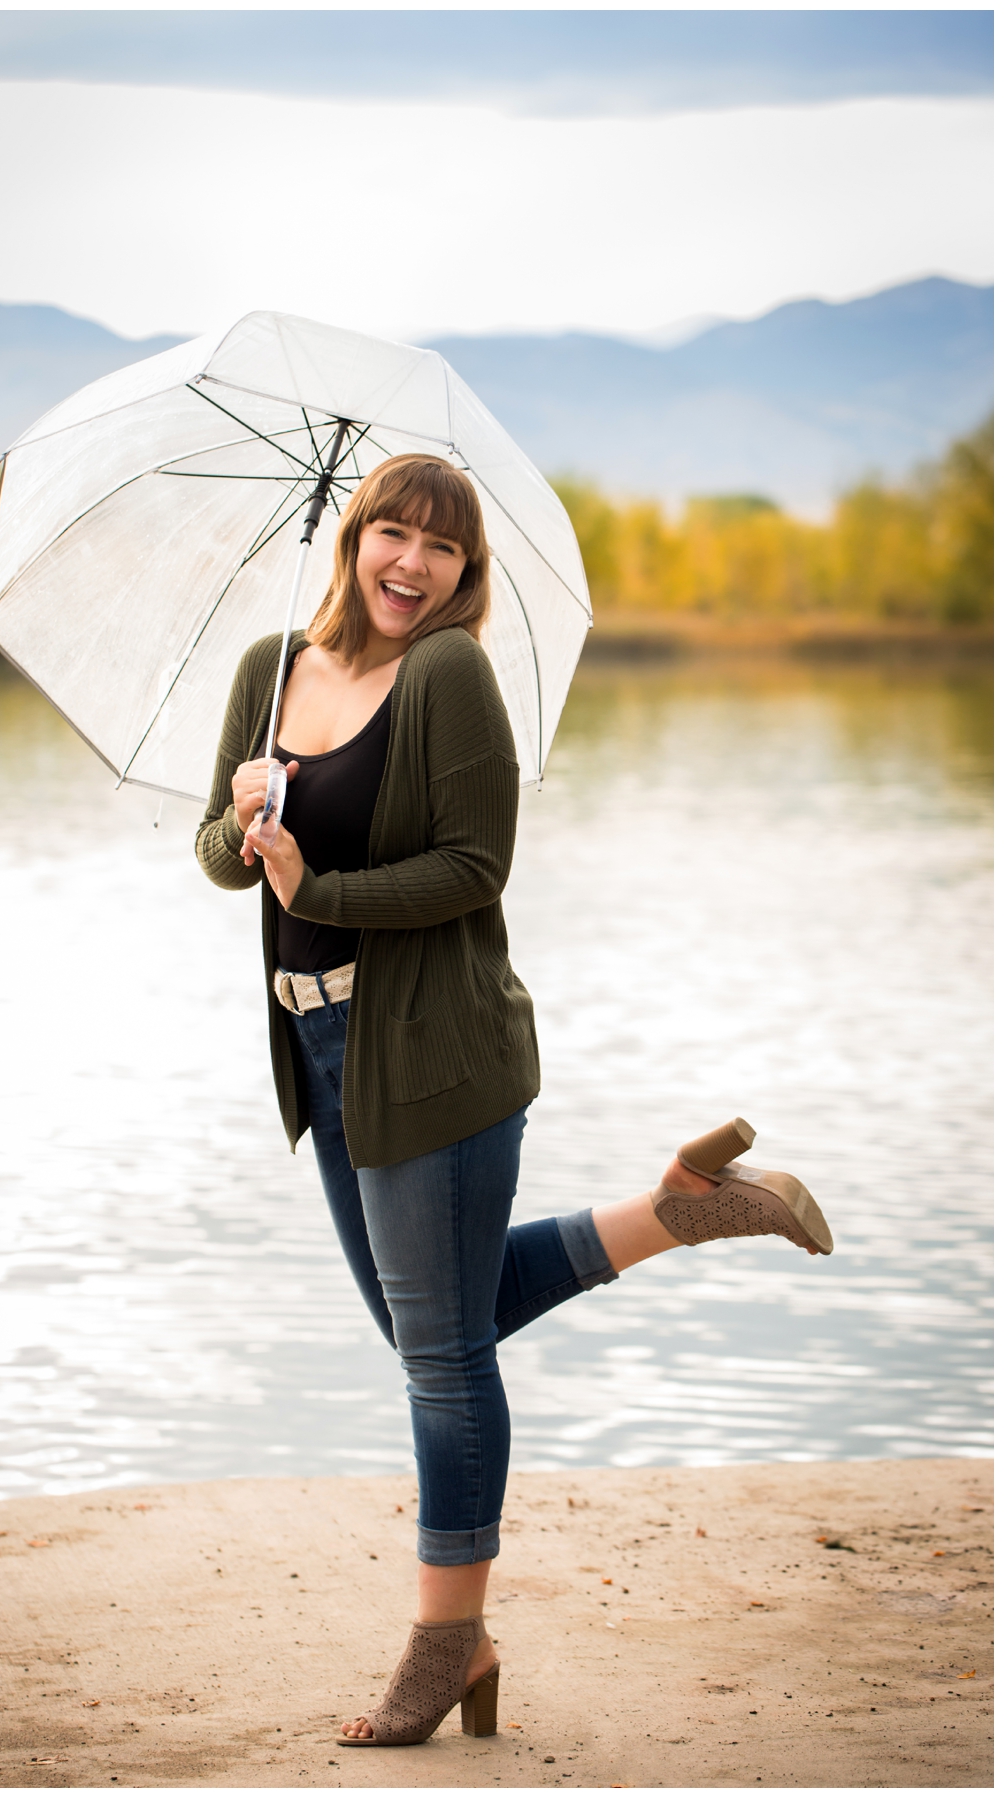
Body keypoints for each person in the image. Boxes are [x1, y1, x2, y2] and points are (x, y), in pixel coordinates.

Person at [195, 454, 831, 1747]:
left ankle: (449, 1640)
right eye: (394, 533)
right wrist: (246, 816)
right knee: (436, 1322)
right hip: (321, 1055)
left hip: (436, 1046)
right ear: (354, 538)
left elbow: (475, 867)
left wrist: (318, 894)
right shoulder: (268, 671)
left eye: (443, 548)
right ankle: (681, 1209)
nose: (412, 564)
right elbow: (216, 860)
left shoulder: (447, 673)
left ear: (466, 573)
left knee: (442, 1354)